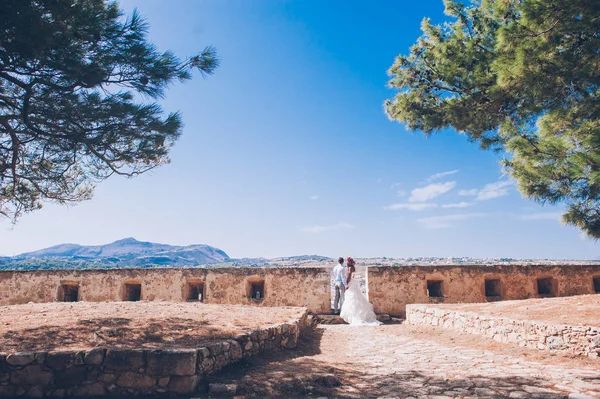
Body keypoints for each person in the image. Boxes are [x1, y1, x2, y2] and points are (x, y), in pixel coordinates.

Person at [340, 257, 382, 326]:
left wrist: (346, 283)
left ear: (348, 263)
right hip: (354, 283)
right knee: (356, 297)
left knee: (352, 299)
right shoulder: (353, 268)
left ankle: (355, 316)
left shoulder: (350, 269)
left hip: (351, 283)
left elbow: (349, 277)